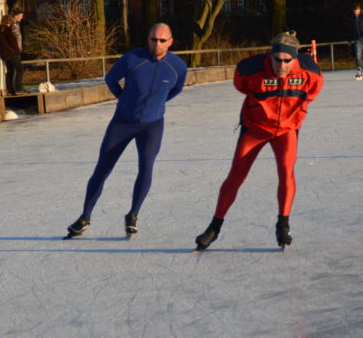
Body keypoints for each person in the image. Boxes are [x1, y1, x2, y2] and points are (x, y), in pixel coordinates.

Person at [195, 33, 324, 250]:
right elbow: (241, 86)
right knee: (236, 175)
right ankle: (214, 227)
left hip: (286, 130)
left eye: (287, 61)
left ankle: (283, 223)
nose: (281, 65)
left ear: (295, 59)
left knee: (286, 171)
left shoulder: (310, 72)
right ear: (270, 56)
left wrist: (295, 114)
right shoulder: (249, 69)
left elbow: (312, 93)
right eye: (277, 60)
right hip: (255, 128)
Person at [65, 23, 188, 239]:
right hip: (123, 122)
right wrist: (124, 99)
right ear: (148, 39)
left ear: (170, 41)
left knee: (146, 166)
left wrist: (157, 104)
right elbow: (110, 79)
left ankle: (133, 214)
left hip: (152, 125)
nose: (156, 44)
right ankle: (84, 217)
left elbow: (175, 90)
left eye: (161, 40)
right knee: (103, 169)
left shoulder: (177, 66)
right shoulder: (132, 59)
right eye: (153, 39)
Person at [0, 14, 22, 96]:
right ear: (8, 22)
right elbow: (13, 43)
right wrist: (17, 51)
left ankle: (10, 90)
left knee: (10, 72)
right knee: (20, 69)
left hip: (5, 55)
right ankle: (18, 88)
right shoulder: (7, 31)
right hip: (12, 54)